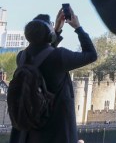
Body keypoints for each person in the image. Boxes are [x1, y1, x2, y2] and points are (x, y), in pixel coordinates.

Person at [10, 9, 98, 143]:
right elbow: (91, 55)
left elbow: (44, 55)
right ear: (49, 35)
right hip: (55, 130)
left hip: (28, 129)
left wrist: (55, 30)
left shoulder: (21, 58)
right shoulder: (60, 57)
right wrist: (78, 28)